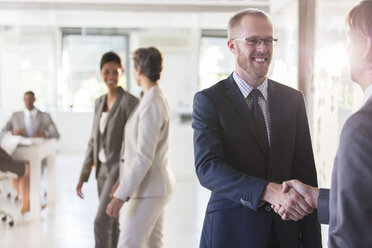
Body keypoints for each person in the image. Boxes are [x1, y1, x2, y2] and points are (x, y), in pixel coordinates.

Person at [192, 8, 321, 247]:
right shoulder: (209, 100)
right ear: (232, 46)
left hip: (285, 234)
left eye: (268, 40)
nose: (263, 49)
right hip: (231, 232)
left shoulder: (293, 100)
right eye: (252, 41)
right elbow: (208, 168)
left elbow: (306, 174)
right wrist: (266, 191)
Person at [273, 1, 372, 247]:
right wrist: (317, 198)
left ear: (368, 45)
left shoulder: (362, 125)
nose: (346, 48)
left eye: (349, 39)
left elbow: (352, 234)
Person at [106, 47, 176, 248]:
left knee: (128, 244)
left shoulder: (152, 102)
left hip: (150, 189)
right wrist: (123, 182)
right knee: (153, 244)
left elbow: (144, 156)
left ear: (138, 70)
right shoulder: (152, 98)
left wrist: (120, 196)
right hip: (153, 187)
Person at [76, 51, 139, 248]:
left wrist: (125, 177)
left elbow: (134, 143)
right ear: (100, 72)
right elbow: (93, 141)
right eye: (106, 71)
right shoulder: (99, 102)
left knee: (101, 222)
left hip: (117, 170)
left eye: (115, 71)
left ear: (122, 72)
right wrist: (83, 175)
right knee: (112, 221)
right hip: (101, 171)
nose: (110, 76)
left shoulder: (130, 102)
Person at [0, 147, 30, 214]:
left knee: (16, 172)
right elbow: (6, 157)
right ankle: (25, 204)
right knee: (28, 168)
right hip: (3, 166)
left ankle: (26, 202)